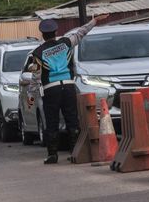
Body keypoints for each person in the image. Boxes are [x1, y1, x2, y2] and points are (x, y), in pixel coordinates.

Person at [31, 14, 109, 164]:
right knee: (72, 120)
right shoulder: (66, 43)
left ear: (42, 35)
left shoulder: (38, 53)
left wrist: (32, 96)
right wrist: (94, 21)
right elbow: (81, 32)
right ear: (55, 33)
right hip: (68, 87)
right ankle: (75, 152)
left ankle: (52, 155)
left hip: (50, 90)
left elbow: (35, 77)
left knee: (52, 122)